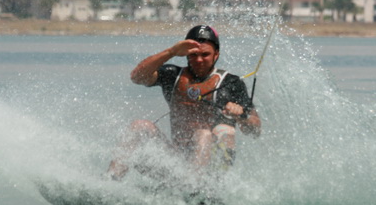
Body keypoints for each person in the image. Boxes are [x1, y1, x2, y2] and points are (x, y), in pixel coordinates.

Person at [107, 25, 261, 180]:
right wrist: (171, 52)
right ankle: (111, 181)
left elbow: (255, 130)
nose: (199, 60)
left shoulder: (231, 83)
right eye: (194, 55)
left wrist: (240, 115)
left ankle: (194, 191)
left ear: (216, 54)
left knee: (204, 134)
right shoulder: (172, 75)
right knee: (139, 126)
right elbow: (137, 77)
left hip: (211, 165)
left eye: (205, 54)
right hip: (177, 161)